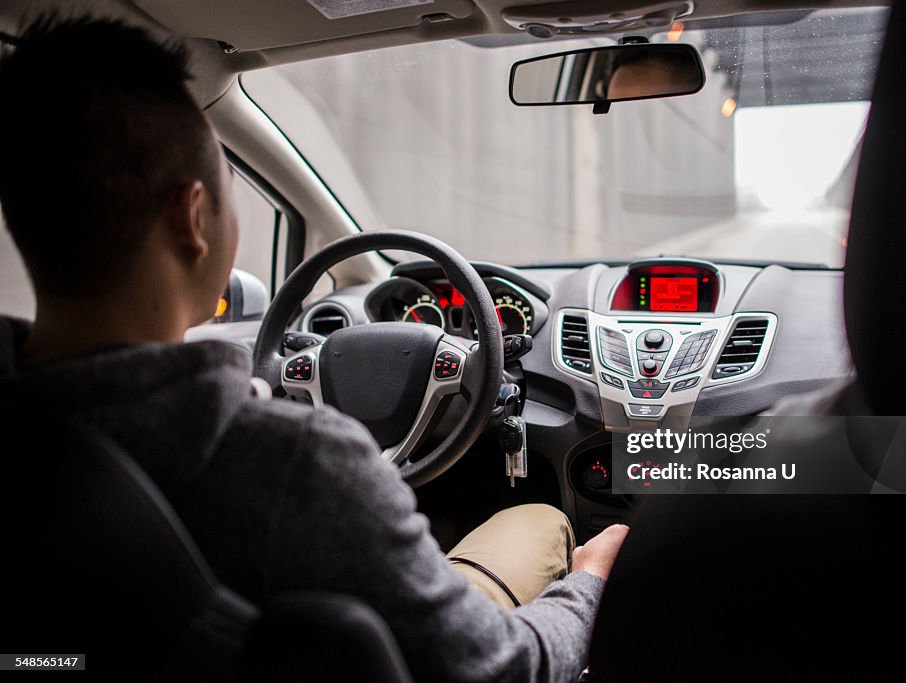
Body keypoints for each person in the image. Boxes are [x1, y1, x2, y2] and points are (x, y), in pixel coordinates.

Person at [0, 16, 629, 682]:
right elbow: (502, 666)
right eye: (230, 194)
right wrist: (590, 585)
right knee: (539, 519)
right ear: (192, 218)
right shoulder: (298, 462)